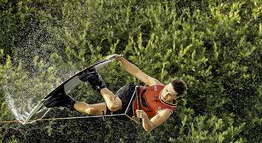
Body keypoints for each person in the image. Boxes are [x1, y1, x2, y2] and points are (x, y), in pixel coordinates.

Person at [46, 55, 187, 132]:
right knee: (113, 105)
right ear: (166, 84)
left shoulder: (166, 111)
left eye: (170, 95)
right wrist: (121, 59)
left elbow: (149, 128)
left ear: (176, 97)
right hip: (131, 94)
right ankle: (95, 79)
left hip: (129, 112)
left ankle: (64, 101)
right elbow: (138, 72)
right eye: (166, 90)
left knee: (90, 109)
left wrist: (144, 117)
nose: (165, 94)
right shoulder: (156, 85)